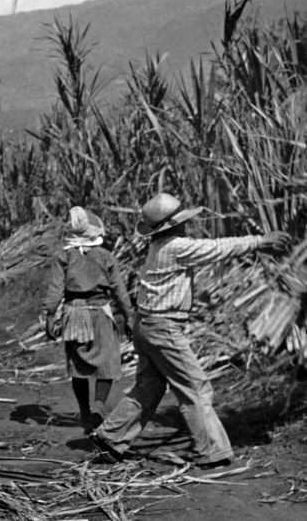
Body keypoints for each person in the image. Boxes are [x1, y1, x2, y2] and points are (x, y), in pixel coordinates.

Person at [90, 192, 291, 469]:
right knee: (196, 387)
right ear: (173, 225)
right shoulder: (176, 247)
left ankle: (109, 437)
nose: (187, 224)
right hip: (163, 328)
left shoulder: (158, 246)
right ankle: (210, 452)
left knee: (149, 387)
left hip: (145, 325)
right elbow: (217, 248)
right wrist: (260, 242)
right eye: (182, 220)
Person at [42, 207, 133, 434]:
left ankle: (85, 410)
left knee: (78, 366)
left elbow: (56, 290)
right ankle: (99, 408)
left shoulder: (65, 256)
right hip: (101, 312)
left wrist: (50, 316)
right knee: (108, 363)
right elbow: (119, 290)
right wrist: (129, 316)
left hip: (73, 314)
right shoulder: (105, 256)